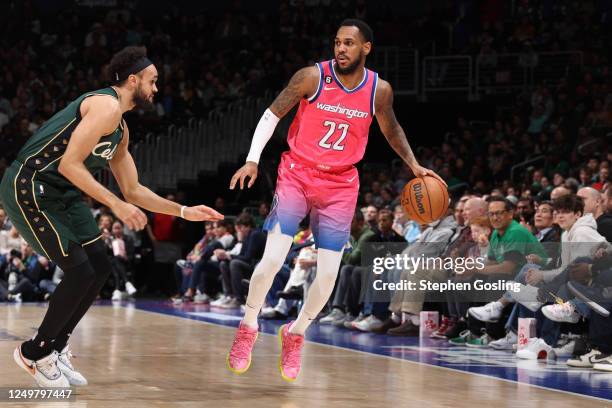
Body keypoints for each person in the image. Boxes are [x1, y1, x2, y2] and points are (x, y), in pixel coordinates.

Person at [225, 19, 445, 381]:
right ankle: (249, 325)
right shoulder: (312, 77)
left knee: (328, 275)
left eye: (348, 43)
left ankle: (295, 333)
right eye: (337, 42)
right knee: (270, 261)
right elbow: (272, 113)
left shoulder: (379, 90)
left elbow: (391, 128)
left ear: (366, 49)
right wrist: (252, 158)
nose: (340, 48)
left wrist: (415, 166)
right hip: (297, 173)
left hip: (341, 184)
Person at [0, 46, 223, 388]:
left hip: (62, 193)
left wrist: (183, 210)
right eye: (153, 81)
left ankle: (56, 346)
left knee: (100, 269)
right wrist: (114, 206)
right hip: (30, 184)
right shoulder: (105, 105)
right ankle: (34, 352)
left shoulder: (121, 128)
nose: (156, 88)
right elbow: (69, 163)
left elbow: (133, 190)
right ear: (133, 80)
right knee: (79, 270)